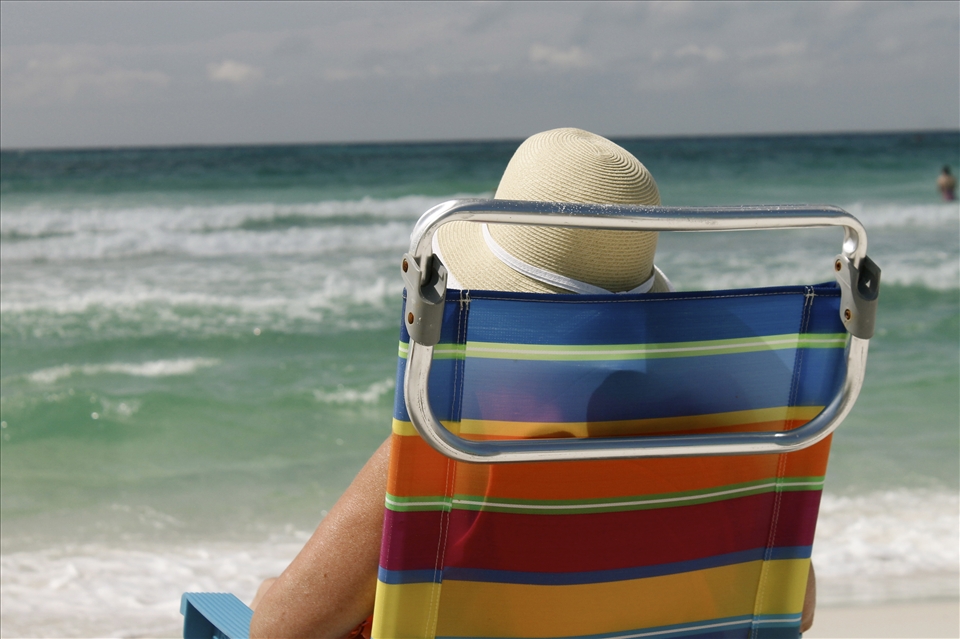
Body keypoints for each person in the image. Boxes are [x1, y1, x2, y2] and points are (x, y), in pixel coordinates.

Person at [248, 128, 816, 638]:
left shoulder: (447, 444)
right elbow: (796, 606)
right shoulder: (723, 440)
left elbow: (280, 632)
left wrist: (272, 594)